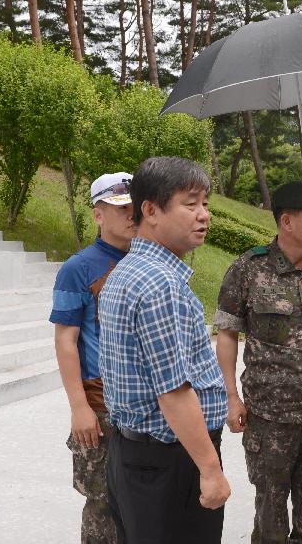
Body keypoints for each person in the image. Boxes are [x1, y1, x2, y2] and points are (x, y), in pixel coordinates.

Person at [97, 157, 230, 544]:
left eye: (205, 204)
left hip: (137, 457)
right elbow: (173, 392)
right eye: (191, 204)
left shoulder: (129, 270)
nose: (203, 215)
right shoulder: (160, 284)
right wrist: (210, 468)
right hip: (171, 461)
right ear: (151, 211)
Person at [213, 180, 302, 544]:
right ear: (287, 222)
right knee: (270, 522)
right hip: (270, 420)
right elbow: (226, 334)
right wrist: (230, 396)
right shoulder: (248, 269)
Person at [50, 171, 135, 543]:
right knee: (102, 505)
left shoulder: (149, 262)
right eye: (121, 208)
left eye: (136, 207)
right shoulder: (78, 269)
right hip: (100, 406)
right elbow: (66, 342)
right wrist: (79, 408)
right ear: (98, 214)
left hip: (145, 407)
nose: (131, 215)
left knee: (141, 503)